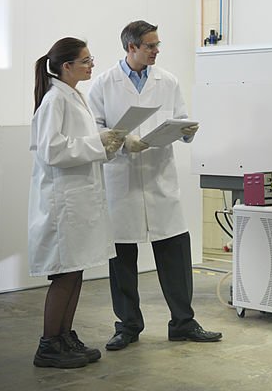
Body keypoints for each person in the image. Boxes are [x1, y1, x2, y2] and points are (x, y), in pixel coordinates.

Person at [88, 20, 222, 350]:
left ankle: (183, 322)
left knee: (175, 252)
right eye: (150, 46)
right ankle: (128, 326)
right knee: (122, 260)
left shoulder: (168, 81)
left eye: (157, 45)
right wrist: (121, 142)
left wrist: (185, 131)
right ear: (131, 47)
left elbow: (179, 117)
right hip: (122, 180)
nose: (156, 51)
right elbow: (93, 130)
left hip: (160, 178)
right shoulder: (104, 84)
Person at [28, 38, 125, 369]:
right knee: (64, 275)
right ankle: (48, 345)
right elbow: (52, 150)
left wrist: (109, 146)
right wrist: (96, 142)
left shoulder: (73, 96)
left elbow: (83, 147)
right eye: (85, 60)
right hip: (63, 204)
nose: (91, 65)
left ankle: (65, 336)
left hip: (79, 199)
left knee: (76, 270)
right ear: (66, 66)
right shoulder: (55, 100)